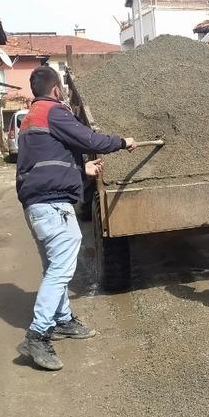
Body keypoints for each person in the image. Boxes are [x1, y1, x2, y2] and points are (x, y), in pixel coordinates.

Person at [15, 66, 137, 370]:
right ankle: (37, 335)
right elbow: (90, 140)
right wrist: (123, 142)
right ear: (56, 90)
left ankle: (63, 319)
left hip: (37, 203)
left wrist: (80, 171)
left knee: (53, 266)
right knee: (61, 269)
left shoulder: (31, 118)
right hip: (53, 205)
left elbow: (45, 163)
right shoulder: (54, 111)